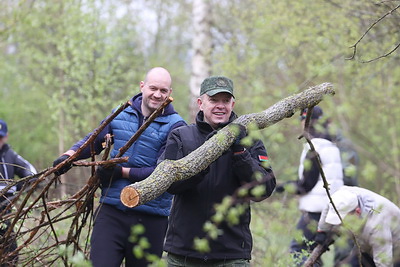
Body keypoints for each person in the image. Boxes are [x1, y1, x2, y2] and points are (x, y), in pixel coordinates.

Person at [52, 67, 186, 267]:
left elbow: (162, 173)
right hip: (112, 211)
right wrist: (68, 157)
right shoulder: (122, 112)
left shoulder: (176, 126)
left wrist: (121, 172)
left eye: (163, 91)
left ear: (170, 93)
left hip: (151, 218)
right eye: (153, 88)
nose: (157, 95)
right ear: (142, 86)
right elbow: (94, 141)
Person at [159, 76, 276, 266]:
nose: (220, 106)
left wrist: (240, 153)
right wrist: (202, 162)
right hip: (183, 254)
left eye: (225, 100)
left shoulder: (249, 140)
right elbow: (170, 186)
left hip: (231, 256)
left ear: (233, 103)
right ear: (200, 103)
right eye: (214, 100)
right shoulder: (181, 136)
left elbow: (264, 189)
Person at [275, 106, 344, 266]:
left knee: (299, 250)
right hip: (330, 210)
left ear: (304, 123)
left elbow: (306, 185)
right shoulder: (331, 146)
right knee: (313, 255)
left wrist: (282, 187)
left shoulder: (314, 148)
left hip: (315, 212)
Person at [316, 186, 400, 267]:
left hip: (394, 250)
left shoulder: (376, 225)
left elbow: (384, 261)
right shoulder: (342, 195)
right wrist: (322, 230)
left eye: (343, 220)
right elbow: (328, 206)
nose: (340, 224)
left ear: (357, 212)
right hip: (365, 245)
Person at [0, 119, 37, 266]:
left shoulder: (10, 155)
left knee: (10, 256)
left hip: (5, 212)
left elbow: (33, 174)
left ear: (6, 136)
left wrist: (16, 188)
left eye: (0, 137)